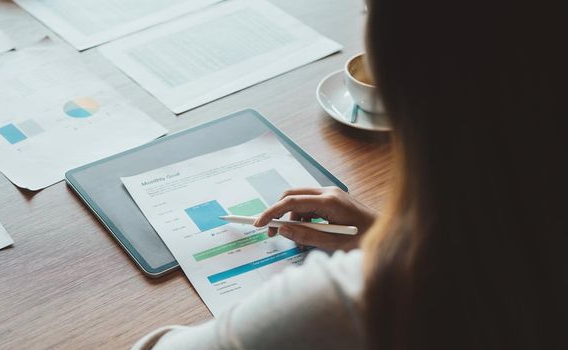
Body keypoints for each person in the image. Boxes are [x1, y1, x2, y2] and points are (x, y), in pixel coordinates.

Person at [132, 0, 568, 348]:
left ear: (401, 65)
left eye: (366, 10)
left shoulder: (354, 302)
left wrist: (271, 316)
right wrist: (389, 232)